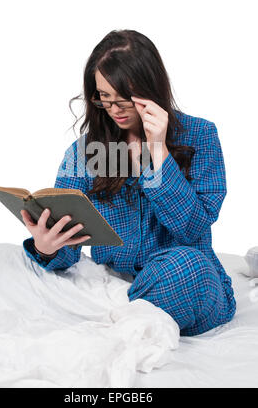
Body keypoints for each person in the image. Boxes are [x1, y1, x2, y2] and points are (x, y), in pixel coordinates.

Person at [21, 29, 236, 337]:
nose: (115, 109)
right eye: (104, 98)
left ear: (152, 87)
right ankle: (134, 321)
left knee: (186, 266)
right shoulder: (84, 152)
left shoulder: (200, 135)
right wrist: (46, 247)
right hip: (113, 288)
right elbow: (70, 249)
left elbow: (192, 228)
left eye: (124, 97)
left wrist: (157, 152)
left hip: (183, 281)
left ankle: (132, 321)